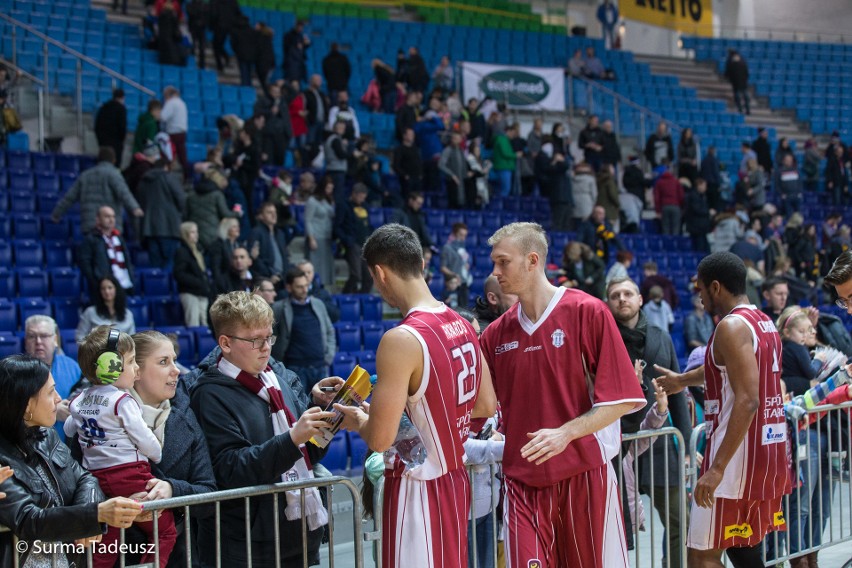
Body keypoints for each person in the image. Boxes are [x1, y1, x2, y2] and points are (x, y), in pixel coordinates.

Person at [479, 222, 645, 567]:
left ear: (532, 260)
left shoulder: (587, 311)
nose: (495, 271)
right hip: (522, 482)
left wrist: (566, 432)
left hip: (584, 476)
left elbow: (623, 399)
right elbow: (479, 405)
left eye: (503, 262)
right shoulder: (495, 334)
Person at [335, 223, 496, 568]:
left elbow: (380, 439)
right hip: (455, 481)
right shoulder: (464, 323)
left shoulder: (401, 339)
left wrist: (361, 419)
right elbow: (485, 405)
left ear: (379, 274)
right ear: (422, 264)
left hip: (416, 489)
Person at [189, 291, 343, 567]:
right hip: (246, 544)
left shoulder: (277, 380)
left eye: (269, 337)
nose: (266, 347)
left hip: (296, 533)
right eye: (255, 340)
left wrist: (327, 417)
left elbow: (308, 455)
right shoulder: (209, 394)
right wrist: (293, 437)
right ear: (225, 343)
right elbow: (229, 468)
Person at [656, 252, 788, 567]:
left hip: (734, 460)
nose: (699, 297)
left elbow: (748, 399)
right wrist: (683, 380)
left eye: (700, 289)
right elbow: (725, 366)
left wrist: (716, 469)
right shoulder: (763, 321)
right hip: (766, 452)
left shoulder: (731, 326)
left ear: (716, 287)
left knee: (702, 555)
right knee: (744, 547)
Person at [0, 355, 144, 568]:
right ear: (27, 403)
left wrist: (87, 522)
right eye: (50, 392)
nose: (59, 398)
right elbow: (28, 519)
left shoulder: (46, 435)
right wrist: (95, 514)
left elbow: (85, 478)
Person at [65, 327, 177, 568]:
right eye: (130, 361)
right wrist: (156, 453)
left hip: (97, 479)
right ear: (110, 366)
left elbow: (68, 430)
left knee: (108, 544)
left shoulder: (77, 400)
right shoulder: (122, 400)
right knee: (165, 532)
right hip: (130, 476)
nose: (136, 367)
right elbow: (145, 439)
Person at [606, 278, 692, 568]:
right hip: (618, 450)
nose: (622, 299)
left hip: (660, 446)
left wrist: (687, 441)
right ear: (608, 302)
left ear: (640, 299)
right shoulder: (602, 339)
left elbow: (677, 392)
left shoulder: (661, 336)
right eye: (615, 295)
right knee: (614, 531)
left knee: (681, 521)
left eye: (627, 293)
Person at [51, 146, 143, 235]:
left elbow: (69, 198)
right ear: (114, 160)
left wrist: (56, 214)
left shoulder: (85, 175)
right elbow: (124, 193)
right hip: (110, 228)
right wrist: (135, 208)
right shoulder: (114, 174)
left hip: (89, 225)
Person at [271, 268, 336, 391]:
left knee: (324, 406)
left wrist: (328, 357)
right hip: (294, 367)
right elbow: (272, 335)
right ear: (289, 287)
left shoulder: (318, 304)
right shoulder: (279, 308)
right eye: (299, 287)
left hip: (320, 365)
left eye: (306, 285)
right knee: (298, 407)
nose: (305, 290)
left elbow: (329, 331)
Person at [23, 315, 82, 440]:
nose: (38, 341)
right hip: (31, 446)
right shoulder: (15, 372)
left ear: (55, 340)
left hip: (70, 447)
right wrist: (54, 411)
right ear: (25, 341)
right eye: (32, 336)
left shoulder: (73, 367)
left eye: (44, 336)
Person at [137, 158, 186, 269]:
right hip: (170, 228)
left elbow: (139, 201)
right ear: (166, 167)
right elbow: (181, 199)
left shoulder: (143, 181)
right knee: (171, 265)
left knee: (155, 268)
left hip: (149, 229)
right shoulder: (169, 178)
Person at [78, 205, 137, 298]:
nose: (111, 219)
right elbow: (85, 263)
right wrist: (96, 282)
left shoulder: (119, 238)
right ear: (98, 219)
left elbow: (127, 261)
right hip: (102, 289)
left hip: (122, 286)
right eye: (107, 216)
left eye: (113, 216)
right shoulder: (91, 239)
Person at [335, 184, 374, 294]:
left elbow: (368, 224)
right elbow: (337, 226)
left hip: (365, 244)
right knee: (356, 274)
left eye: (364, 197)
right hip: (352, 244)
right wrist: (346, 240)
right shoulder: (344, 206)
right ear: (354, 194)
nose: (362, 200)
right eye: (360, 197)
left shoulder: (365, 206)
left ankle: (361, 298)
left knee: (370, 277)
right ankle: (345, 296)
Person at [173, 221, 212, 327]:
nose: (196, 234)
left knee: (205, 323)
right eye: (192, 232)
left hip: (202, 292)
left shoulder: (198, 250)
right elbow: (179, 274)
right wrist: (199, 282)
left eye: (196, 231)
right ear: (185, 234)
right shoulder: (182, 251)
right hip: (189, 293)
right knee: (193, 323)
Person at [76, 276, 137, 342]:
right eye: (103, 288)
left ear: (116, 289)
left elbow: (132, 339)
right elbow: (80, 337)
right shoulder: (90, 312)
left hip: (121, 351)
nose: (107, 291)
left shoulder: (128, 314)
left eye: (110, 288)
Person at [304, 176, 337, 290]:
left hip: (327, 237)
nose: (330, 190)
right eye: (328, 188)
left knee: (326, 267)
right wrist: (311, 238)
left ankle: (322, 288)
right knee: (316, 265)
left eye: (331, 188)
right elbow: (308, 220)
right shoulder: (312, 200)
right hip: (316, 236)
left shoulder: (329, 200)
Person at [249, 201, 291, 286]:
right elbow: (255, 259)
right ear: (261, 216)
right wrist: (269, 275)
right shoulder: (256, 232)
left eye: (275, 212)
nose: (274, 215)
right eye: (269, 212)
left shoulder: (280, 233)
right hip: (265, 279)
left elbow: (285, 257)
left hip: (282, 278)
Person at [440, 223, 473, 310]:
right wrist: (454, 275)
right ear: (454, 234)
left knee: (465, 312)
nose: (463, 238)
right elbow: (443, 268)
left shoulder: (463, 248)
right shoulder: (447, 248)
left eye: (465, 236)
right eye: (461, 235)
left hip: (464, 284)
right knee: (453, 312)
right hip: (453, 285)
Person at [161, 86, 189, 180]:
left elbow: (163, 117)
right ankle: (187, 176)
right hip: (182, 132)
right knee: (182, 156)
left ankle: (166, 174)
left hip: (173, 132)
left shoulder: (171, 103)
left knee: (168, 154)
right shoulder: (182, 103)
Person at [95, 89, 128, 167]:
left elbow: (97, 126)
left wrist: (100, 141)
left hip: (103, 143)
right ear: (122, 97)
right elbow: (122, 127)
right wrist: (121, 140)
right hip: (116, 144)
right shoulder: (121, 109)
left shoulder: (103, 108)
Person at [654, 162, 685, 235]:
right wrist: (682, 206)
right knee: (676, 228)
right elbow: (681, 195)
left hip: (664, 207)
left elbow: (657, 197)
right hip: (675, 206)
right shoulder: (676, 181)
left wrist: (658, 210)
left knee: (665, 228)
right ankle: (675, 244)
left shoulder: (659, 182)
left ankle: (666, 244)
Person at [725, 50, 750, 115]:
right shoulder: (742, 63)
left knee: (740, 95)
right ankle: (745, 109)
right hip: (740, 83)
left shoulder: (731, 63)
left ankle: (742, 109)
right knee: (743, 95)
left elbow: (728, 73)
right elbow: (746, 73)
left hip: (738, 83)